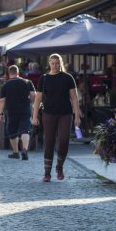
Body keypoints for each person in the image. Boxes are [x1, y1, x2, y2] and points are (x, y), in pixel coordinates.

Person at [32, 53, 81, 182]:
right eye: (53, 63)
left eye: (57, 63)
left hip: (66, 113)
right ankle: (47, 173)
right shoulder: (44, 78)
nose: (55, 66)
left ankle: (59, 167)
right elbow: (38, 98)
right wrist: (34, 116)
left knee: (64, 140)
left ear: (61, 64)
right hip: (48, 113)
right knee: (49, 142)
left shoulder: (68, 78)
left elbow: (74, 98)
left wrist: (77, 116)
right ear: (49, 64)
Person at [0, 65, 35, 160]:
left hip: (11, 110)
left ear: (9, 73)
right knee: (25, 130)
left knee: (12, 131)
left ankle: (15, 152)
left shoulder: (6, 85)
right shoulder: (27, 82)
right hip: (25, 109)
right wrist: (31, 103)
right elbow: (33, 95)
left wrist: (1, 113)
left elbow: (2, 100)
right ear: (18, 72)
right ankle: (25, 149)